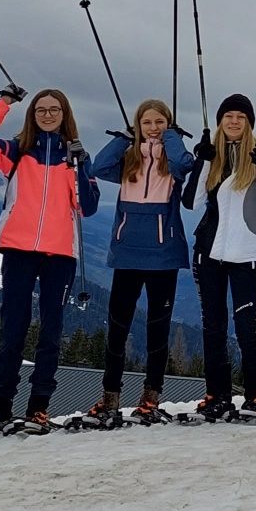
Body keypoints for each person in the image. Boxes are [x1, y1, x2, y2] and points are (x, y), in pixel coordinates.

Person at [0, 87, 97, 434]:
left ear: (65, 113)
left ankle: (38, 407)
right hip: (19, 249)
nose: (48, 114)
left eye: (55, 109)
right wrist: (4, 103)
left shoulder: (76, 155)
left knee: (51, 332)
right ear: (33, 113)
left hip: (60, 254)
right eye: (41, 109)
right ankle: (2, 407)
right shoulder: (17, 150)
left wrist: (81, 166)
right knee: (13, 329)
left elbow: (89, 205)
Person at [81, 98, 195, 428]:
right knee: (117, 330)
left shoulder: (172, 164)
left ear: (169, 124)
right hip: (127, 253)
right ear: (137, 125)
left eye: (160, 122)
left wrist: (172, 137)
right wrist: (124, 138)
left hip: (163, 256)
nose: (153, 128)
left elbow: (185, 164)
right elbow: (98, 168)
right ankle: (110, 397)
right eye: (147, 122)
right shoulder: (129, 160)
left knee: (157, 332)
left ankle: (151, 398)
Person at [188, 93, 256, 421]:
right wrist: (202, 162)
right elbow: (191, 202)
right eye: (228, 116)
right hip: (209, 255)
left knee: (248, 327)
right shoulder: (210, 158)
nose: (233, 121)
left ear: (249, 124)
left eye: (240, 117)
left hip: (248, 256)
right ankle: (216, 396)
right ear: (219, 122)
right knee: (213, 328)